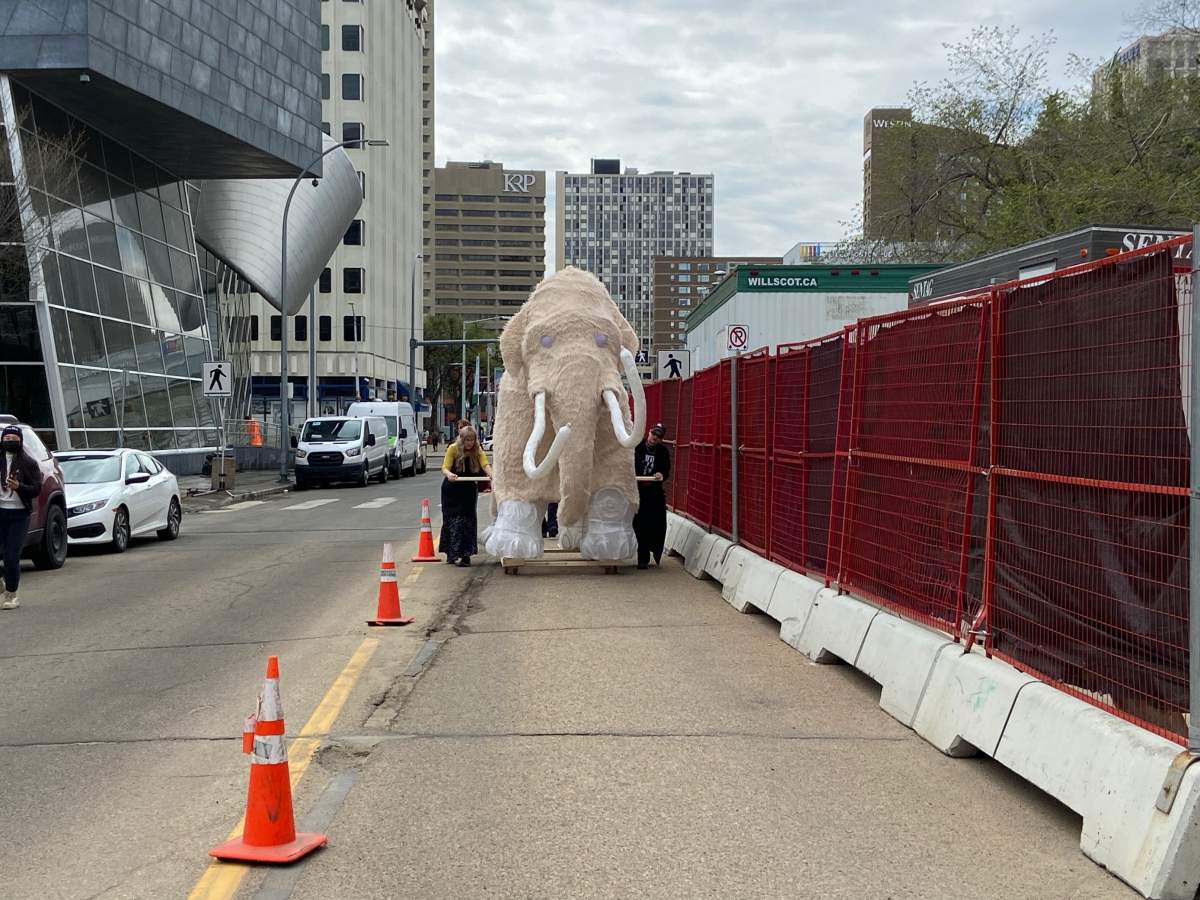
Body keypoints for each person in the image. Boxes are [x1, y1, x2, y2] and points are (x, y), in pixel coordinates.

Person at [0, 425, 43, 610]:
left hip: (19, 514)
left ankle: (11, 595)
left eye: (13, 439)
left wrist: (19, 487)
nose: (9, 441)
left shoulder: (29, 463)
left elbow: (36, 489)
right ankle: (2, 582)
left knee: (11, 556)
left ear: (20, 441)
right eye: (6, 438)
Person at [440, 425, 492, 567]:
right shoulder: (453, 449)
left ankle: (465, 555)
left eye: (472, 440)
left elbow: (485, 464)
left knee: (467, 521)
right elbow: (445, 467)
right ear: (462, 439)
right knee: (452, 520)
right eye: (467, 440)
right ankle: (451, 553)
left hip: (468, 490)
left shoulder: (477, 450)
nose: (470, 443)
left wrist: (491, 474)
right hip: (452, 490)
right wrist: (449, 474)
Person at [632, 423, 671, 569]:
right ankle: (642, 557)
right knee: (638, 523)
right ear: (649, 432)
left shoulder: (663, 452)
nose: (655, 437)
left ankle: (650, 551)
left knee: (655, 523)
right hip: (637, 490)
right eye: (653, 433)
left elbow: (666, 470)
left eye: (658, 436)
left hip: (654, 492)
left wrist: (661, 474)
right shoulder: (637, 447)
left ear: (661, 439)